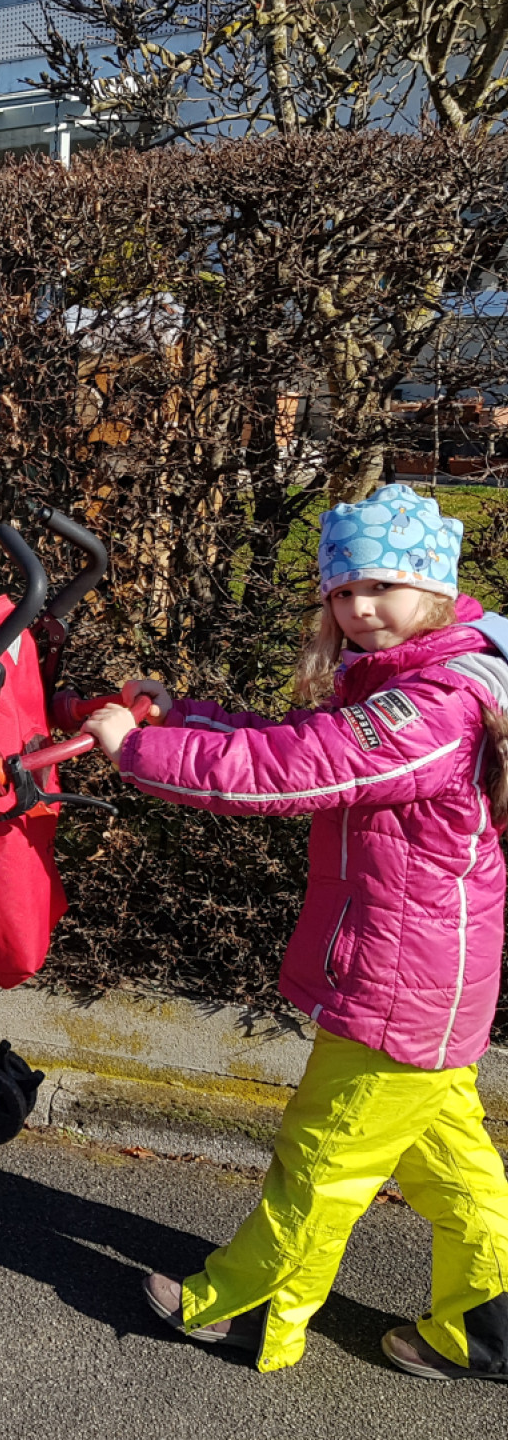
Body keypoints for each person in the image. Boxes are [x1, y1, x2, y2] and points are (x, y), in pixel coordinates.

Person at [81, 484, 508, 1380]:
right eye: (343, 591)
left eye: (382, 586)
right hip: (427, 973)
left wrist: (137, 750)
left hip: (405, 979)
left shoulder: (435, 704)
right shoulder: (403, 681)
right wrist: (183, 714)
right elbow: (297, 737)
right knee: (447, 1160)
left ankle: (251, 1308)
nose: (359, 608)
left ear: (434, 587)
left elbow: (297, 770)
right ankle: (489, 1323)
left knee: (323, 1156)